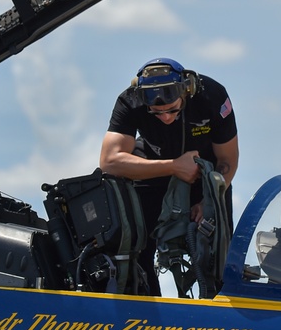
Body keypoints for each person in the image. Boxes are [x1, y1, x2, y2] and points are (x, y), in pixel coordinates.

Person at [99, 58, 238, 295]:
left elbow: (227, 160)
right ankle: (146, 309)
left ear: (187, 90)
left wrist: (209, 201)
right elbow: (109, 162)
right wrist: (174, 167)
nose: (165, 117)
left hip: (206, 181)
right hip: (153, 173)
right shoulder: (130, 100)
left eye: (173, 110)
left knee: (219, 256)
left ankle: (220, 308)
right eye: (157, 113)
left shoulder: (212, 96)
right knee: (137, 247)